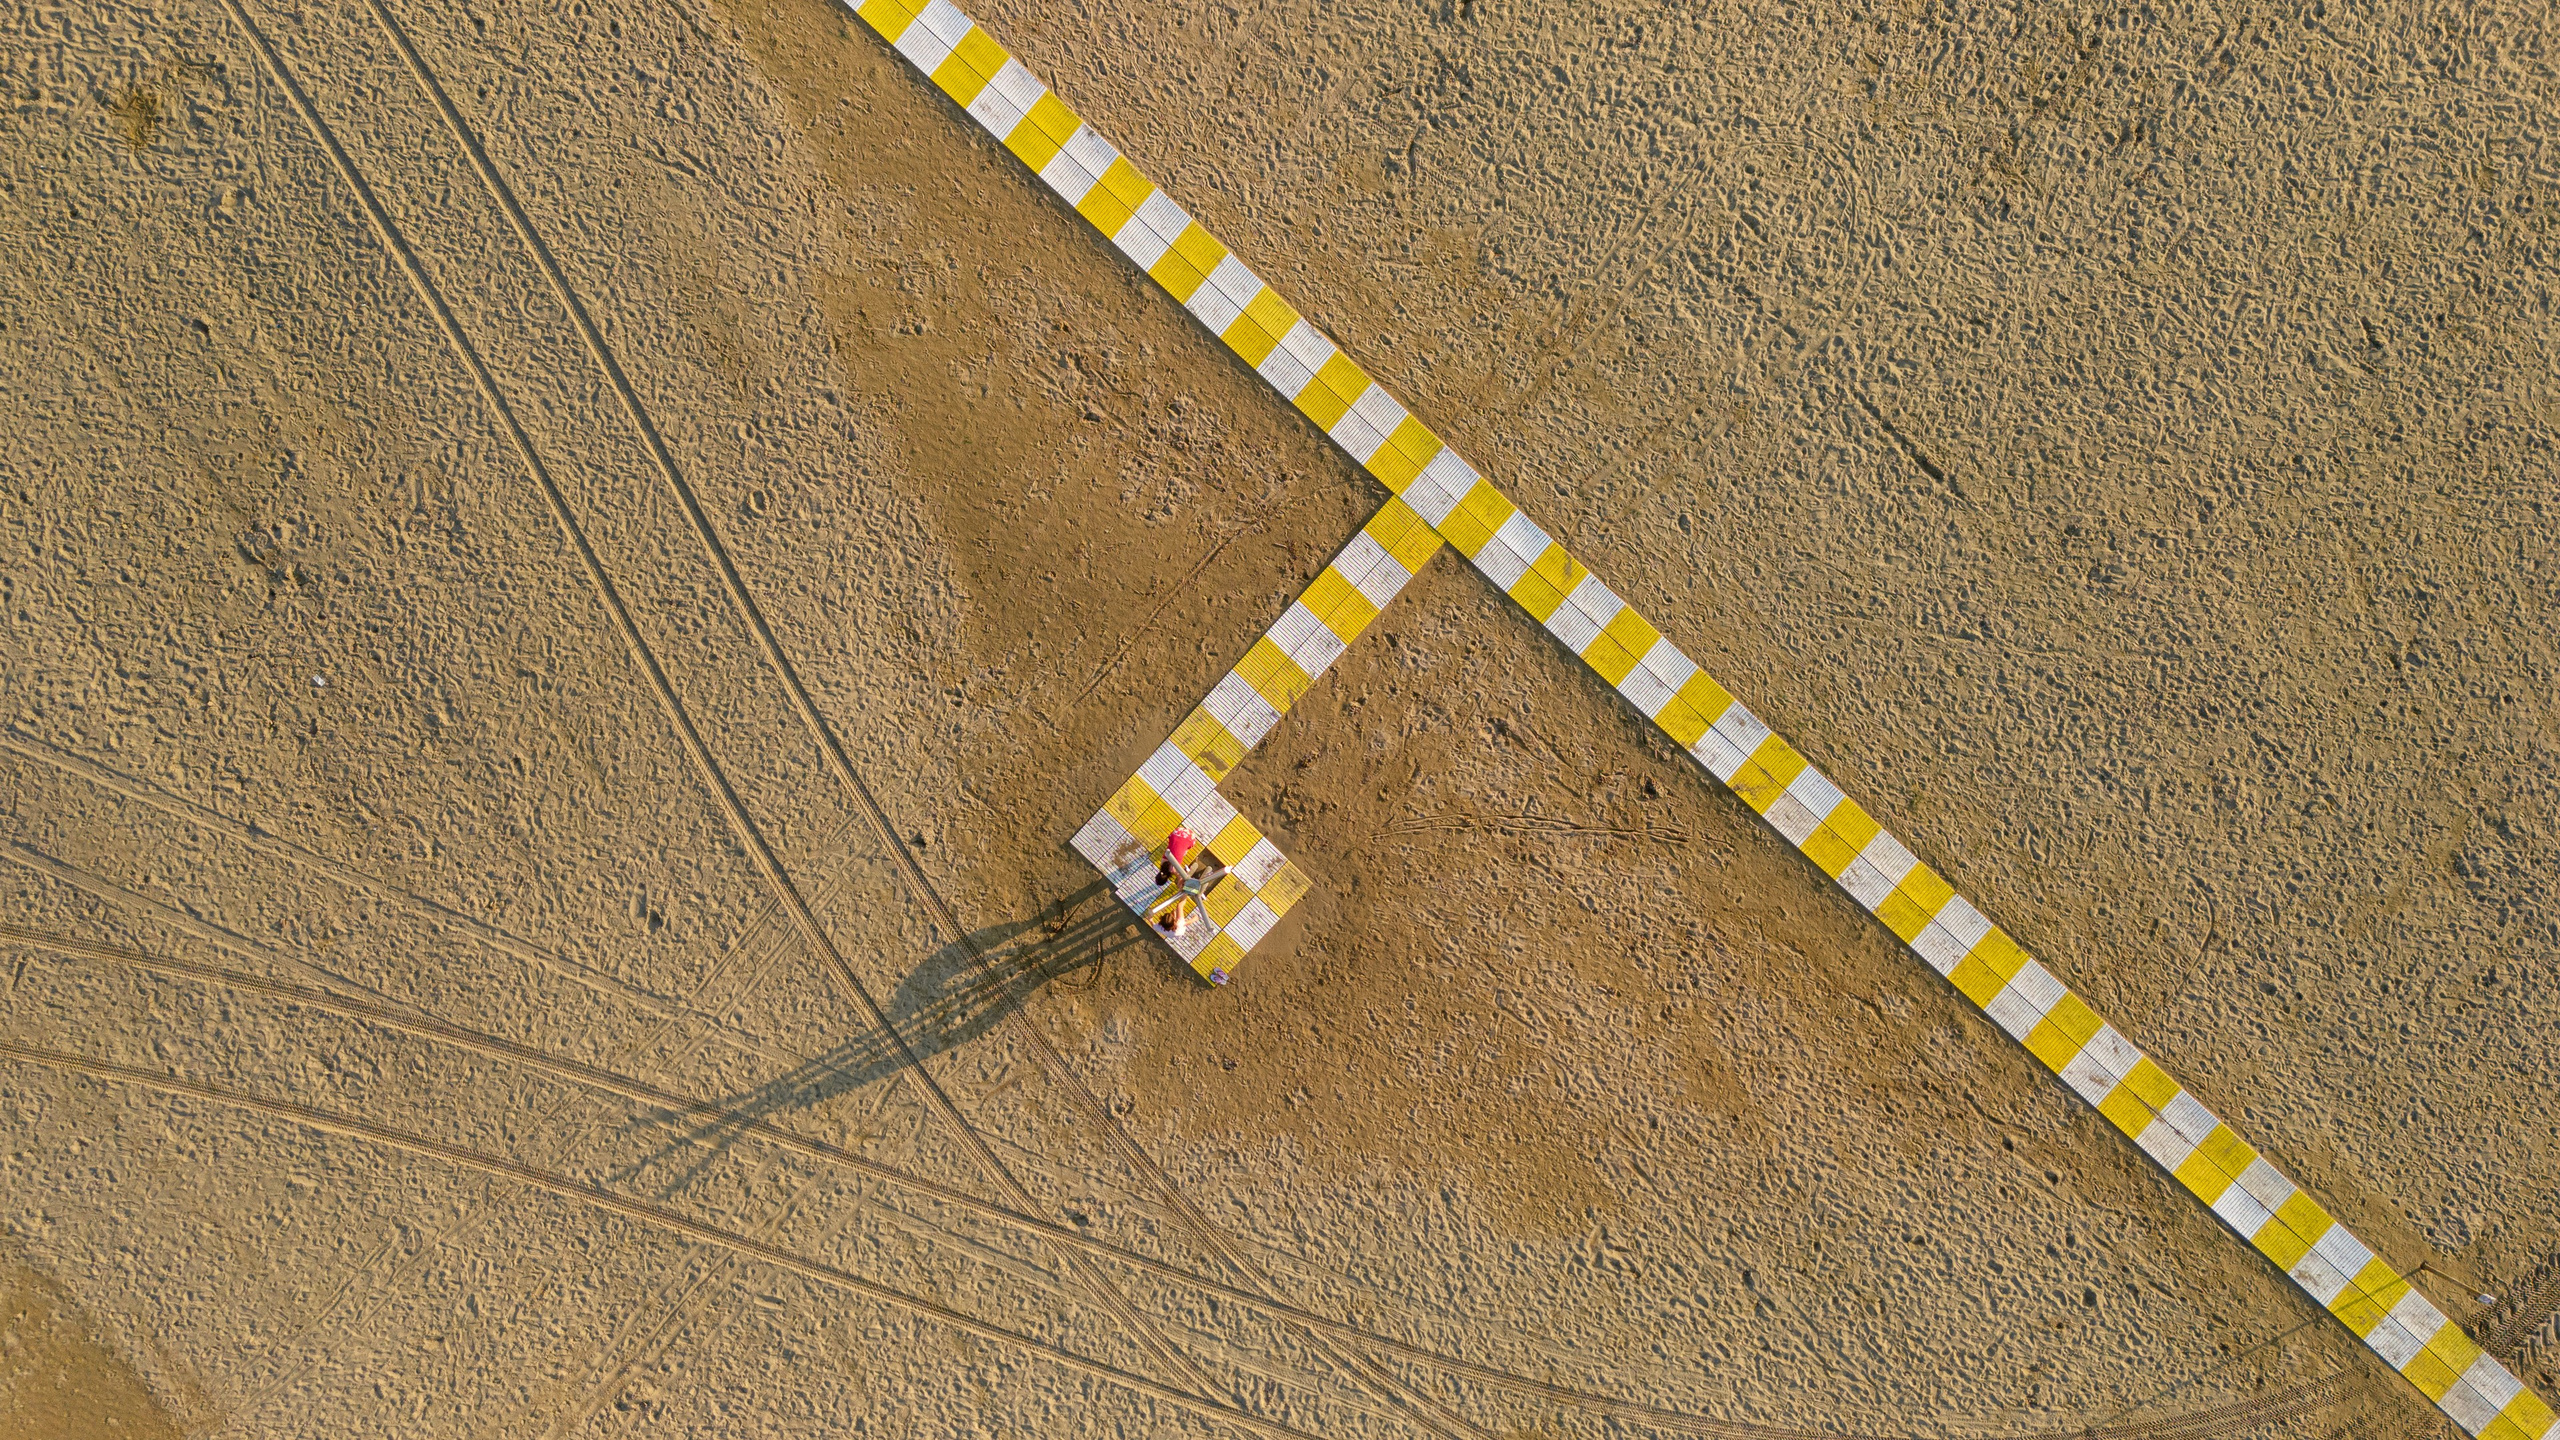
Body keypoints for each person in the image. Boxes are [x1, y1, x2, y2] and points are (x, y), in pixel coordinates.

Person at [1145, 826, 1229, 936]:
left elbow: (1180, 905)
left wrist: (1184, 890)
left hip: (1187, 839)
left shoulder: (1164, 926)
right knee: (1194, 887)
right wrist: (1183, 888)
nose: (1173, 913)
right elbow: (1182, 911)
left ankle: (1206, 874)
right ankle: (1202, 873)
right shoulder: (1179, 926)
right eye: (1173, 915)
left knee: (1192, 884)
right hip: (1177, 833)